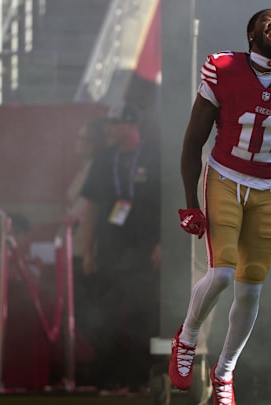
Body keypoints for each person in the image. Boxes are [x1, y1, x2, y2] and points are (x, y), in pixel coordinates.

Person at [169, 8, 271, 405]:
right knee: (221, 275)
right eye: (267, 19)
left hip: (270, 189)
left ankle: (224, 374)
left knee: (251, 290)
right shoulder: (223, 68)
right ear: (251, 34)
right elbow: (193, 142)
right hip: (225, 177)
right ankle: (186, 340)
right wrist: (190, 203)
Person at [80, 102, 161, 394]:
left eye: (114, 124)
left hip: (144, 251)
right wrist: (88, 250)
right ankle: (108, 379)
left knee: (143, 316)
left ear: (130, 125)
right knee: (104, 316)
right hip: (110, 250)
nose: (109, 129)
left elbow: (171, 202)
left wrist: (163, 243)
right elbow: (91, 206)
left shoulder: (154, 156)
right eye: (108, 124)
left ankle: (140, 379)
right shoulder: (103, 159)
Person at [62, 116, 112, 386]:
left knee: (88, 310)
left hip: (84, 249)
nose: (77, 143)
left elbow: (84, 210)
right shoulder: (87, 169)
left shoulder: (95, 170)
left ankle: (93, 365)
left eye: (82, 138)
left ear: (92, 143)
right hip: (77, 247)